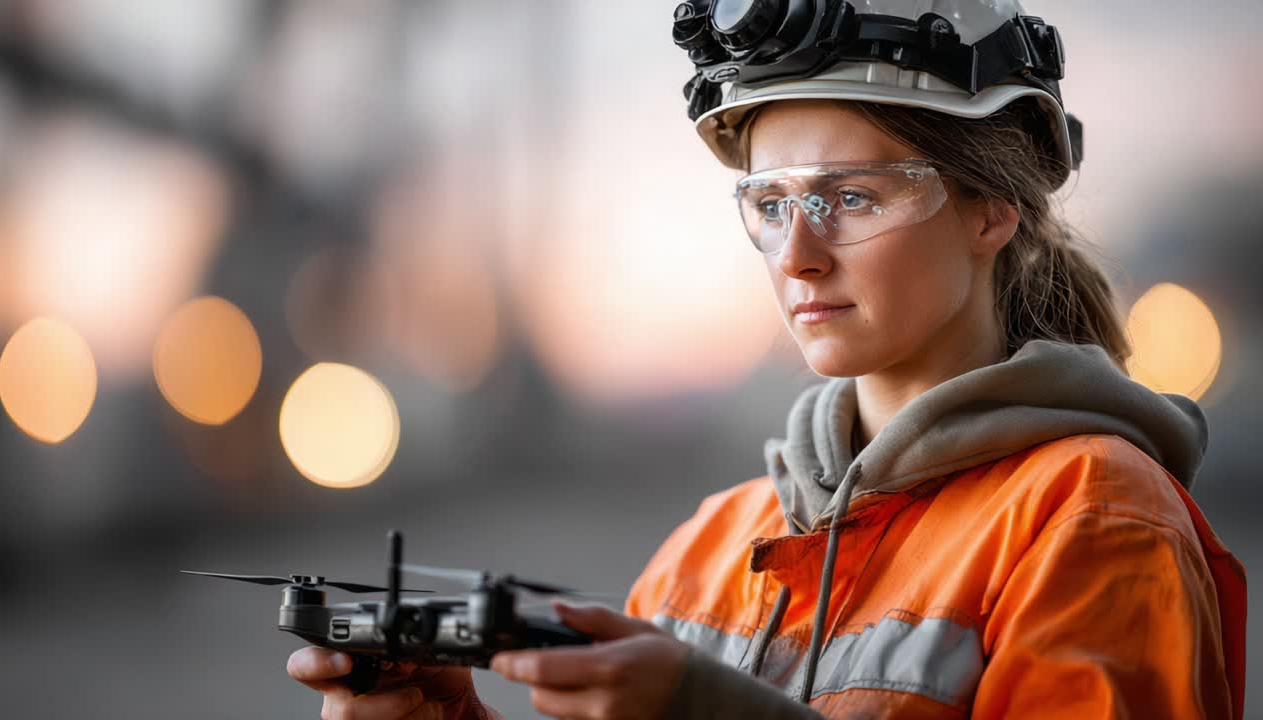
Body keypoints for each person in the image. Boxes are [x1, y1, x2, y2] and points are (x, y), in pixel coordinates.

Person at [286, 1, 1247, 717]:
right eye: (773, 203)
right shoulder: (711, 550)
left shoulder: (1095, 519)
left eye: (854, 197)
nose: (797, 253)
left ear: (993, 208)